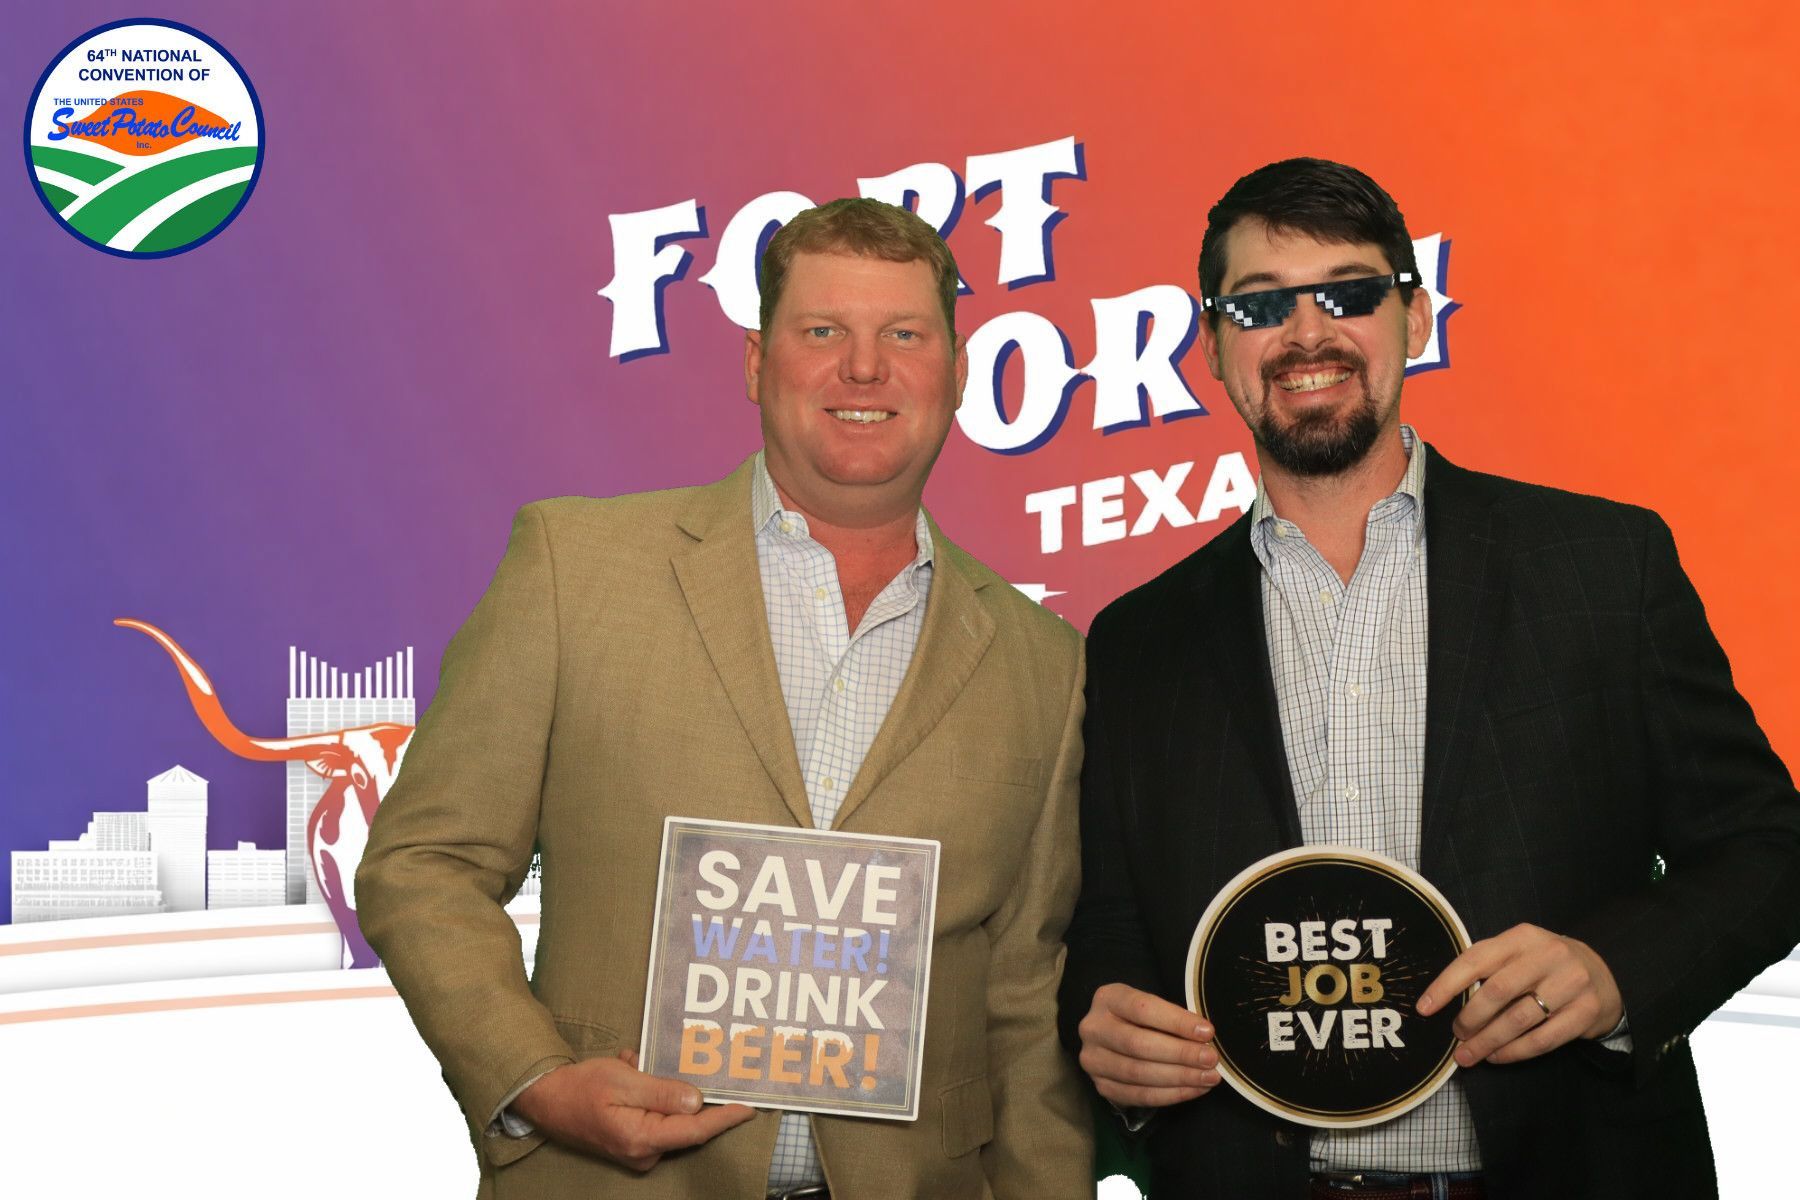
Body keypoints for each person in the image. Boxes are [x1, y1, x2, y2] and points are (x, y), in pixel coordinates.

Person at [1057, 158, 1800, 1199]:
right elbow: (1109, 925)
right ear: (1214, 349)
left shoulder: (1603, 566)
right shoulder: (1138, 639)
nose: (1306, 334)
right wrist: (1107, 1024)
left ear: (1413, 319)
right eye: (1261, 305)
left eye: (1350, 293)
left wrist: (1613, 971)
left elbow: (1768, 849)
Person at [358, 198, 1092, 1198]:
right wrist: (536, 1081)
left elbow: (1025, 1001)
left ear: (957, 374)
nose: (864, 369)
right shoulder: (574, 570)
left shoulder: (1045, 662)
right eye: (822, 332)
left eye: (904, 336)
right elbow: (425, 863)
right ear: (756, 363)